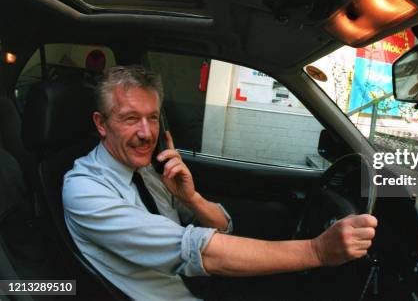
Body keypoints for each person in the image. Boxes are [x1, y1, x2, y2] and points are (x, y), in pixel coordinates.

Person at [63, 65, 377, 301]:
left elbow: (220, 228)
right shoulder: (85, 189)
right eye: (131, 119)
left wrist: (191, 198)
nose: (147, 133)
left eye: (154, 117)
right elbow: (198, 250)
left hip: (206, 286)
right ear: (101, 124)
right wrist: (318, 251)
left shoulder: (145, 171)